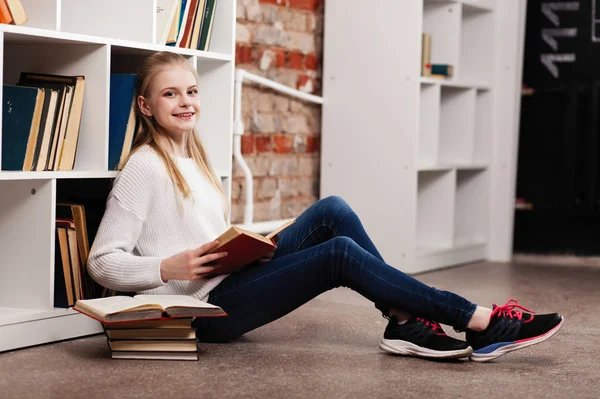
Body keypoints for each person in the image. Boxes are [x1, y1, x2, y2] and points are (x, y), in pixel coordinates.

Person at [88, 52, 564, 362]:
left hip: (226, 279)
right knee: (337, 253)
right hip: (205, 309)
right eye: (170, 94)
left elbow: (200, 232)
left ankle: (404, 322)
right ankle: (478, 320)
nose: (186, 102)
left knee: (332, 209)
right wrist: (169, 266)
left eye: (191, 91)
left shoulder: (194, 158)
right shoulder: (144, 167)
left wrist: (251, 245)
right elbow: (102, 261)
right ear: (147, 107)